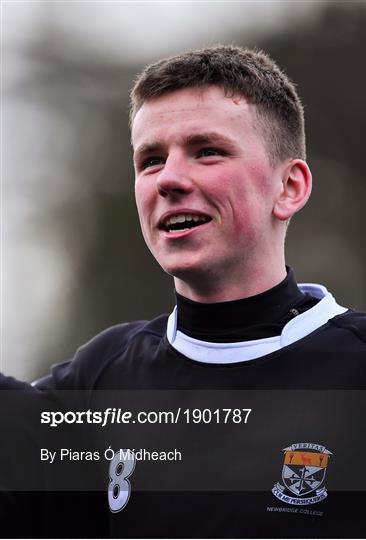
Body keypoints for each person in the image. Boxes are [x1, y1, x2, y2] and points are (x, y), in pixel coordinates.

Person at [34, 45, 365, 538]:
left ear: (289, 187)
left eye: (207, 150)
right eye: (150, 160)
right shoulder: (97, 379)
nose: (169, 179)